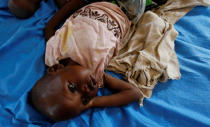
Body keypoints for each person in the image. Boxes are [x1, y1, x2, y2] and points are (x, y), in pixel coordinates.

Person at [30, 0, 142, 122]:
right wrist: (93, 102)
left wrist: (74, 4)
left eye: (72, 88)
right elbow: (134, 93)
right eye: (84, 99)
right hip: (125, 11)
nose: (86, 91)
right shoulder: (96, 73)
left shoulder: (55, 54)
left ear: (56, 69)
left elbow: (49, 28)